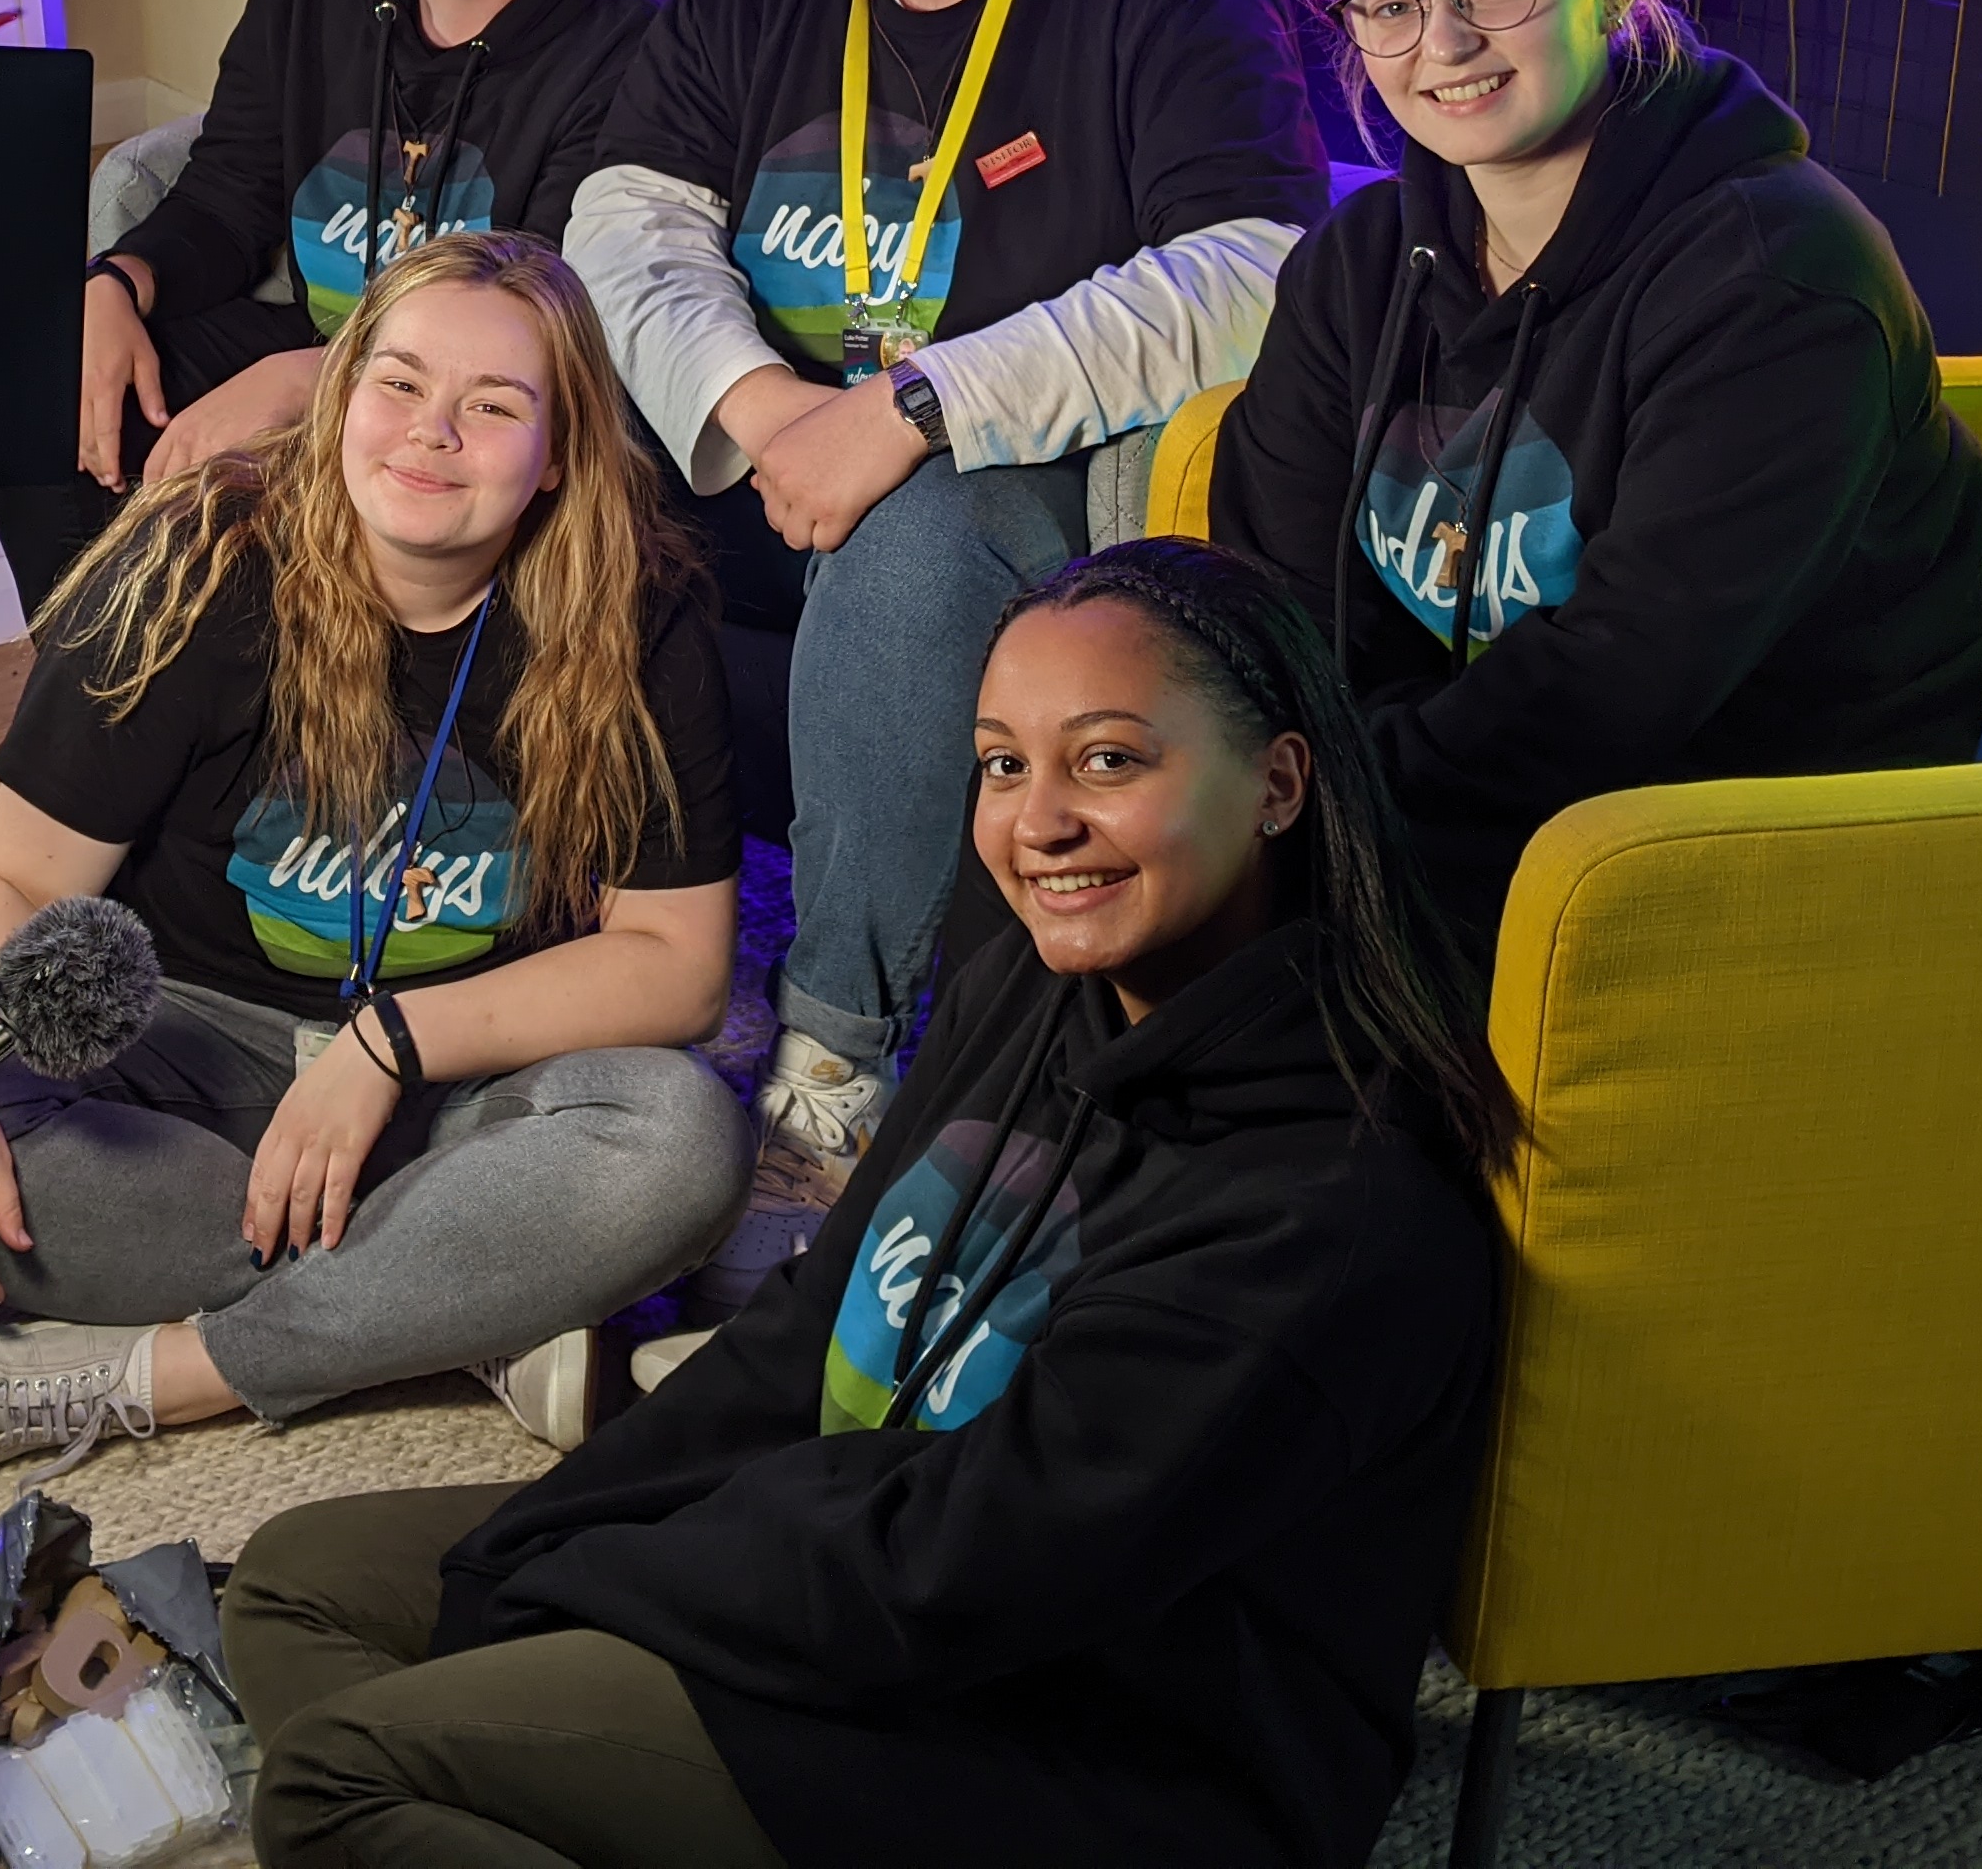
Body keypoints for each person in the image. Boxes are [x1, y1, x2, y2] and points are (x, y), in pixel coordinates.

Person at [218, 538, 1512, 1869]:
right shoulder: (1036, 985)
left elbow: (962, 1573)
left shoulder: (1331, 1209)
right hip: (860, 1579)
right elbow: (810, 1325)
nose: (1039, 823)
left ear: (1279, 784)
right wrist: (555, 1536)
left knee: (336, 1780)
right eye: (1003, 764)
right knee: (301, 1584)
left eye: (1109, 760)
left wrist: (606, 1585)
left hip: (1082, 1749)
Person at [567, 0, 1326, 1205]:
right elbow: (627, 212)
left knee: (911, 535)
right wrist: (764, 409)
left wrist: (913, 411)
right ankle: (503, 937)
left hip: (1021, 495)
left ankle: (833, 1058)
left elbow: (1256, 266)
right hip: (770, 450)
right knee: (502, 448)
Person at [0, 231, 749, 1478]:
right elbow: (21, 878)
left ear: (557, 457)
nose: (432, 432)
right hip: (190, 1039)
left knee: (683, 1142)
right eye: (401, 383)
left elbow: (679, 966)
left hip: (465, 1073)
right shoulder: (192, 562)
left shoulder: (635, 613)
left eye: (495, 407)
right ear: (340, 397)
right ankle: (462, 1300)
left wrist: (390, 1045)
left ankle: (171, 1374)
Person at [1207, 0, 1982, 935]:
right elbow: (1275, 599)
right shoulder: (1362, 262)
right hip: (1454, 810)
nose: (1445, 40)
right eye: (1390, 2)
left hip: (1766, 834)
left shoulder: (1777, 283)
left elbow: (1615, 693)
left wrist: (1307, 818)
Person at [0, 0, 669, 613]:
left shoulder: (638, 39)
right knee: (36, 393)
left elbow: (546, 305)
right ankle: (109, 691)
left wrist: (317, 382)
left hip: (487, 400)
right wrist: (116, 281)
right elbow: (227, 195)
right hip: (318, 330)